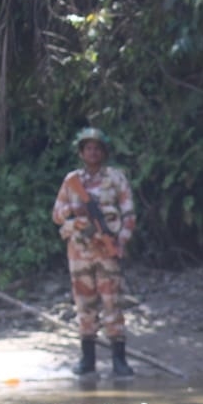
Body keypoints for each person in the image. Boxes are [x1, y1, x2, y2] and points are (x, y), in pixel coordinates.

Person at [51, 127, 138, 377]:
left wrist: (119, 241)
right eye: (88, 148)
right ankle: (87, 360)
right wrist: (75, 220)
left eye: (97, 148)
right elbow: (57, 214)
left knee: (113, 303)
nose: (93, 152)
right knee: (84, 304)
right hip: (79, 251)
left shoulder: (116, 179)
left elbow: (128, 214)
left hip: (107, 250)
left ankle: (118, 361)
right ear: (81, 152)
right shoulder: (71, 182)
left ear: (104, 152)